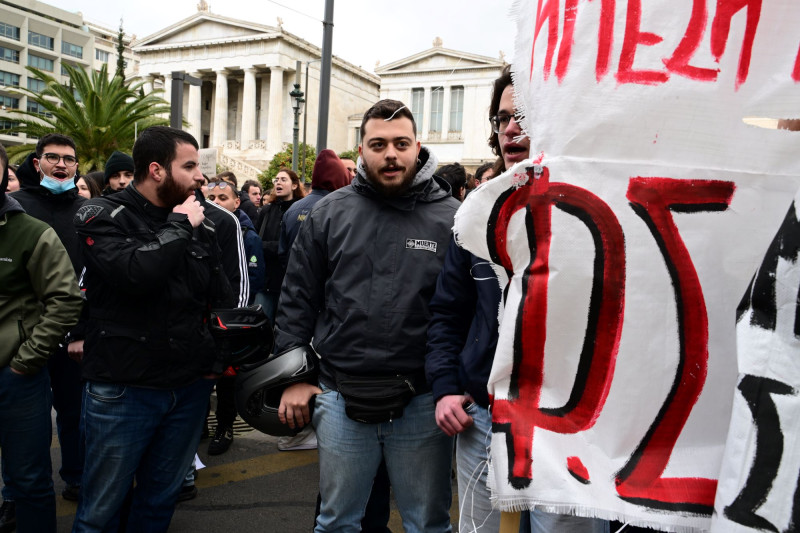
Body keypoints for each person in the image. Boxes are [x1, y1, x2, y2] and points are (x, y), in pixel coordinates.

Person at [427, 65, 608, 533]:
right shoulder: (475, 216)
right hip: (484, 420)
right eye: (502, 117)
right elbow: (448, 312)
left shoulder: (596, 214)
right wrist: (447, 385)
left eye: (525, 115)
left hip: (567, 428)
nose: (511, 127)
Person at [276, 99, 460, 533]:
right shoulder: (327, 213)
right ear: (360, 150)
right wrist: (296, 377)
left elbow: (462, 313)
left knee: (428, 525)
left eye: (400, 143)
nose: (390, 154)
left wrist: (455, 385)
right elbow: (296, 300)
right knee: (338, 523)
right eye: (378, 144)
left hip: (422, 401)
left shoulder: (452, 219)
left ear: (419, 147)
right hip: (340, 399)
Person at [72, 126, 235, 532]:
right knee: (100, 512)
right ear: (157, 170)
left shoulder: (203, 222)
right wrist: (179, 226)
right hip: (124, 390)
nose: (202, 177)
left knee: (159, 503)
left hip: (188, 388)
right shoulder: (100, 215)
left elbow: (220, 298)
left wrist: (214, 363)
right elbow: (136, 273)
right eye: (191, 166)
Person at [0, 142, 83, 533]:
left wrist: (78, 333)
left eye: (69, 159)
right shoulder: (21, 204)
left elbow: (79, 290)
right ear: (37, 164)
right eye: (53, 158)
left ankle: (76, 478)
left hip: (54, 347)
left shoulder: (85, 211)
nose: (61, 165)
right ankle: (11, 499)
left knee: (72, 414)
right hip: (23, 351)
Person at [205, 177, 265, 456]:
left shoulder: (244, 233)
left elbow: (248, 279)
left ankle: (224, 426)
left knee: (226, 380)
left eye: (222, 198)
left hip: (226, 318)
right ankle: (200, 425)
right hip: (200, 320)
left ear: (236, 202)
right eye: (211, 198)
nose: (215, 203)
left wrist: (234, 324)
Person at [254, 168, 306, 323]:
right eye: (276, 179)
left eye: (283, 179)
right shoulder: (266, 211)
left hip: (290, 282)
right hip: (267, 281)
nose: (278, 182)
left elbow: (295, 247)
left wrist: (270, 247)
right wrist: (275, 248)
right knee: (258, 326)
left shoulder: (300, 211)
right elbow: (256, 241)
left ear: (295, 185)